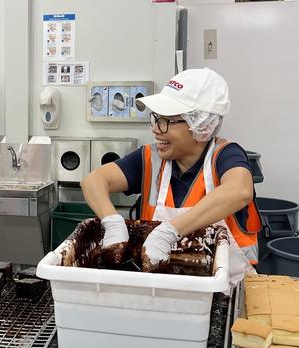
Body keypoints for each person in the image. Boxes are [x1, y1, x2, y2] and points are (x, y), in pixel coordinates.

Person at [80, 68, 261, 283]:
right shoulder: (151, 158)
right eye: (155, 118)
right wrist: (112, 221)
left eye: (167, 121)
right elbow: (93, 181)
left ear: (200, 125)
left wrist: (170, 231)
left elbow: (239, 190)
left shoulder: (225, 156)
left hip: (227, 289)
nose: (156, 129)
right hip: (163, 286)